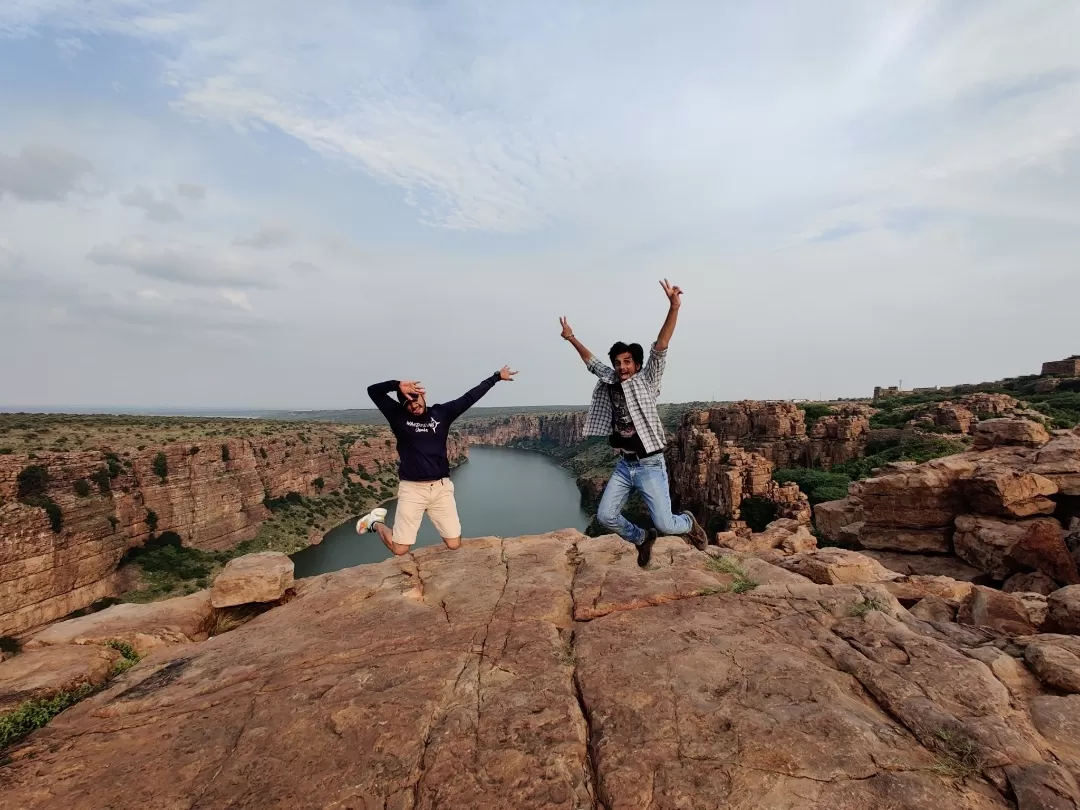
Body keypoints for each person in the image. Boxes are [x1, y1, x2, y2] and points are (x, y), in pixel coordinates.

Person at [560, 280, 707, 567]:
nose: (622, 367)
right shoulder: (612, 380)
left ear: (636, 365)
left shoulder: (647, 380)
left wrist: (674, 306)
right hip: (626, 465)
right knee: (605, 517)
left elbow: (661, 347)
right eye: (618, 362)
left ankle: (688, 523)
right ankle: (641, 538)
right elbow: (591, 362)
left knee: (667, 524)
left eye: (627, 362)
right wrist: (571, 337)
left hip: (650, 464)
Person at [356, 366, 518, 555]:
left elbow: (469, 398)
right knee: (399, 549)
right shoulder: (397, 416)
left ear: (423, 395)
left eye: (415, 401)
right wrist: (397, 385)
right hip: (413, 490)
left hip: (441, 489)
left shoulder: (441, 413)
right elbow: (372, 391)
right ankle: (375, 522)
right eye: (407, 404)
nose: (413, 406)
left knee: (454, 544)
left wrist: (496, 377)